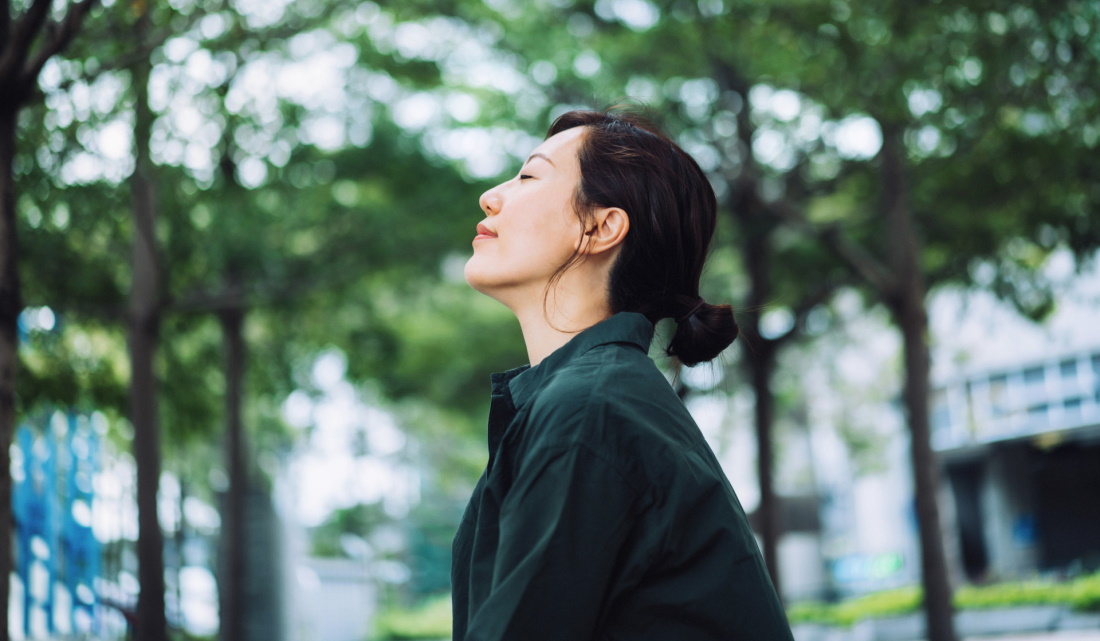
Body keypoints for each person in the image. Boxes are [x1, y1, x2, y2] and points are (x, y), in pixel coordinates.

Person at [452, 108, 794, 641]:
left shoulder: (589, 412)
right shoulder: (594, 399)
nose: (491, 196)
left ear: (600, 227)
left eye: (528, 176)